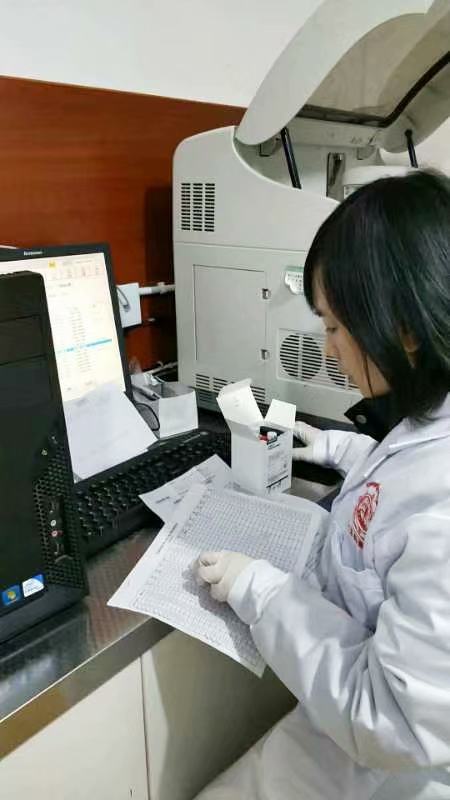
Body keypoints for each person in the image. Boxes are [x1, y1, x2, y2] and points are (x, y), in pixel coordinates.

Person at [192, 170, 450, 800]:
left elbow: (392, 723)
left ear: (405, 329)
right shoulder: (430, 418)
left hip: (397, 760)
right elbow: (406, 472)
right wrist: (338, 447)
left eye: (333, 327)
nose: (328, 348)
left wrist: (260, 591)